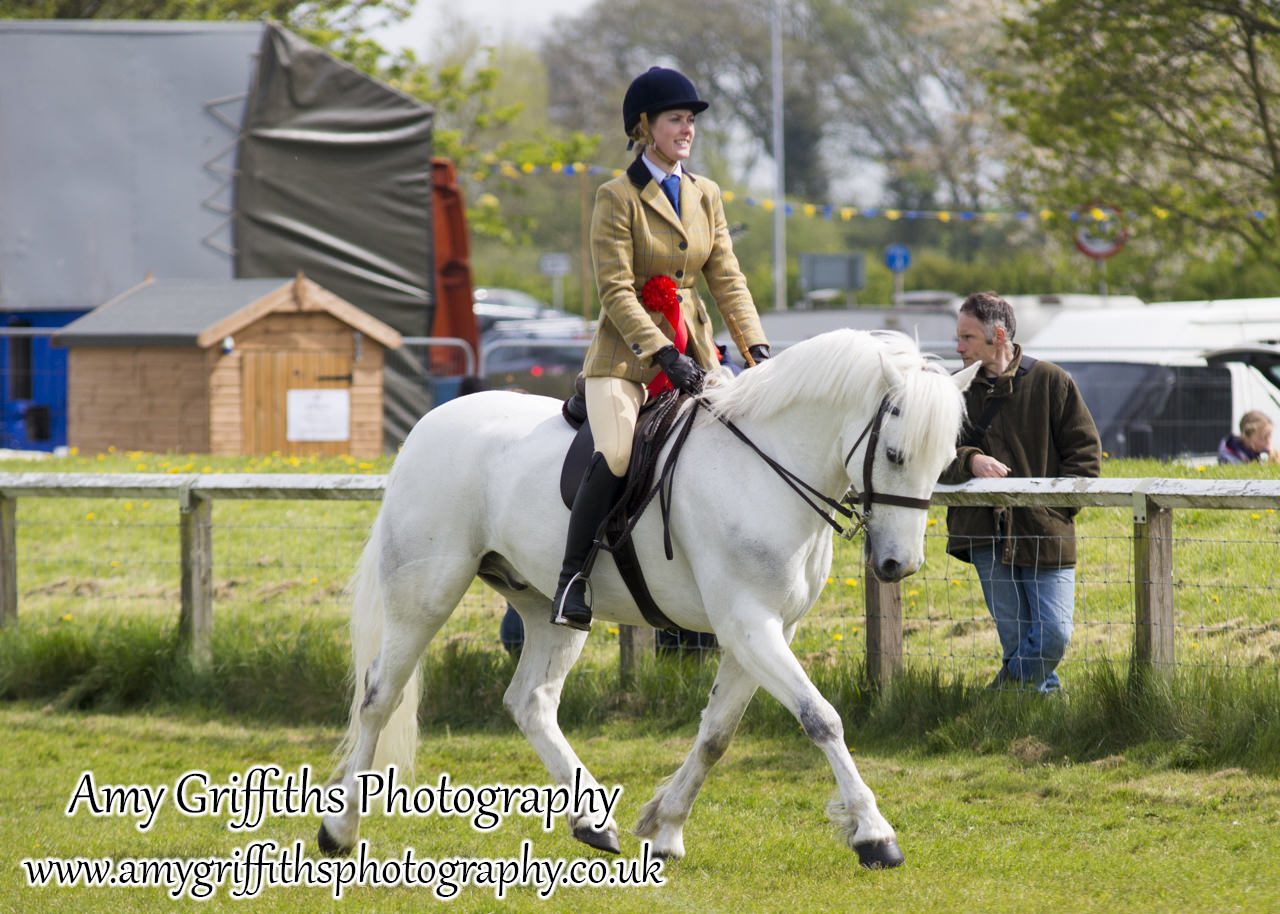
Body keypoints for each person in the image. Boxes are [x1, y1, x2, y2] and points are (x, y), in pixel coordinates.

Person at [551, 66, 771, 631]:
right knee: (620, 453)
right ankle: (572, 576)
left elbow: (727, 278)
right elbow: (615, 290)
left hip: (694, 350)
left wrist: (757, 348)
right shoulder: (616, 196)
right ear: (644, 126)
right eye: (676, 119)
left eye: (691, 120)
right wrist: (660, 352)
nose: (687, 129)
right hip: (624, 357)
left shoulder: (706, 194)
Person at [940, 292, 1101, 692]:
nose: (958, 347)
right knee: (1017, 643)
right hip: (982, 532)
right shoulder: (951, 392)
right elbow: (935, 456)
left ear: (997, 336)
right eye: (958, 337)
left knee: (1054, 634)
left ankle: (1000, 699)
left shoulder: (1051, 380)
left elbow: (1084, 457)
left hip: (1045, 531)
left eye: (967, 338)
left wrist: (1055, 512)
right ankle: (1033, 720)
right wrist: (971, 460)